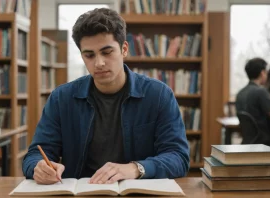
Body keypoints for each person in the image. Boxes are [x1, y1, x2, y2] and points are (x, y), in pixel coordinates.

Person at [22, 8, 190, 185]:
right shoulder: (61, 98)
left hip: (136, 193)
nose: (99, 63)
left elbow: (178, 158)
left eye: (107, 52)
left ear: (124, 49)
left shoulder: (159, 95)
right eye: (89, 55)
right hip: (80, 193)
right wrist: (38, 167)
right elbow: (34, 155)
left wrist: (135, 168)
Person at [235, 57, 270, 147]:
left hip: (249, 141)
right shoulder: (261, 92)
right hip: (266, 142)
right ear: (262, 73)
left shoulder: (240, 93)